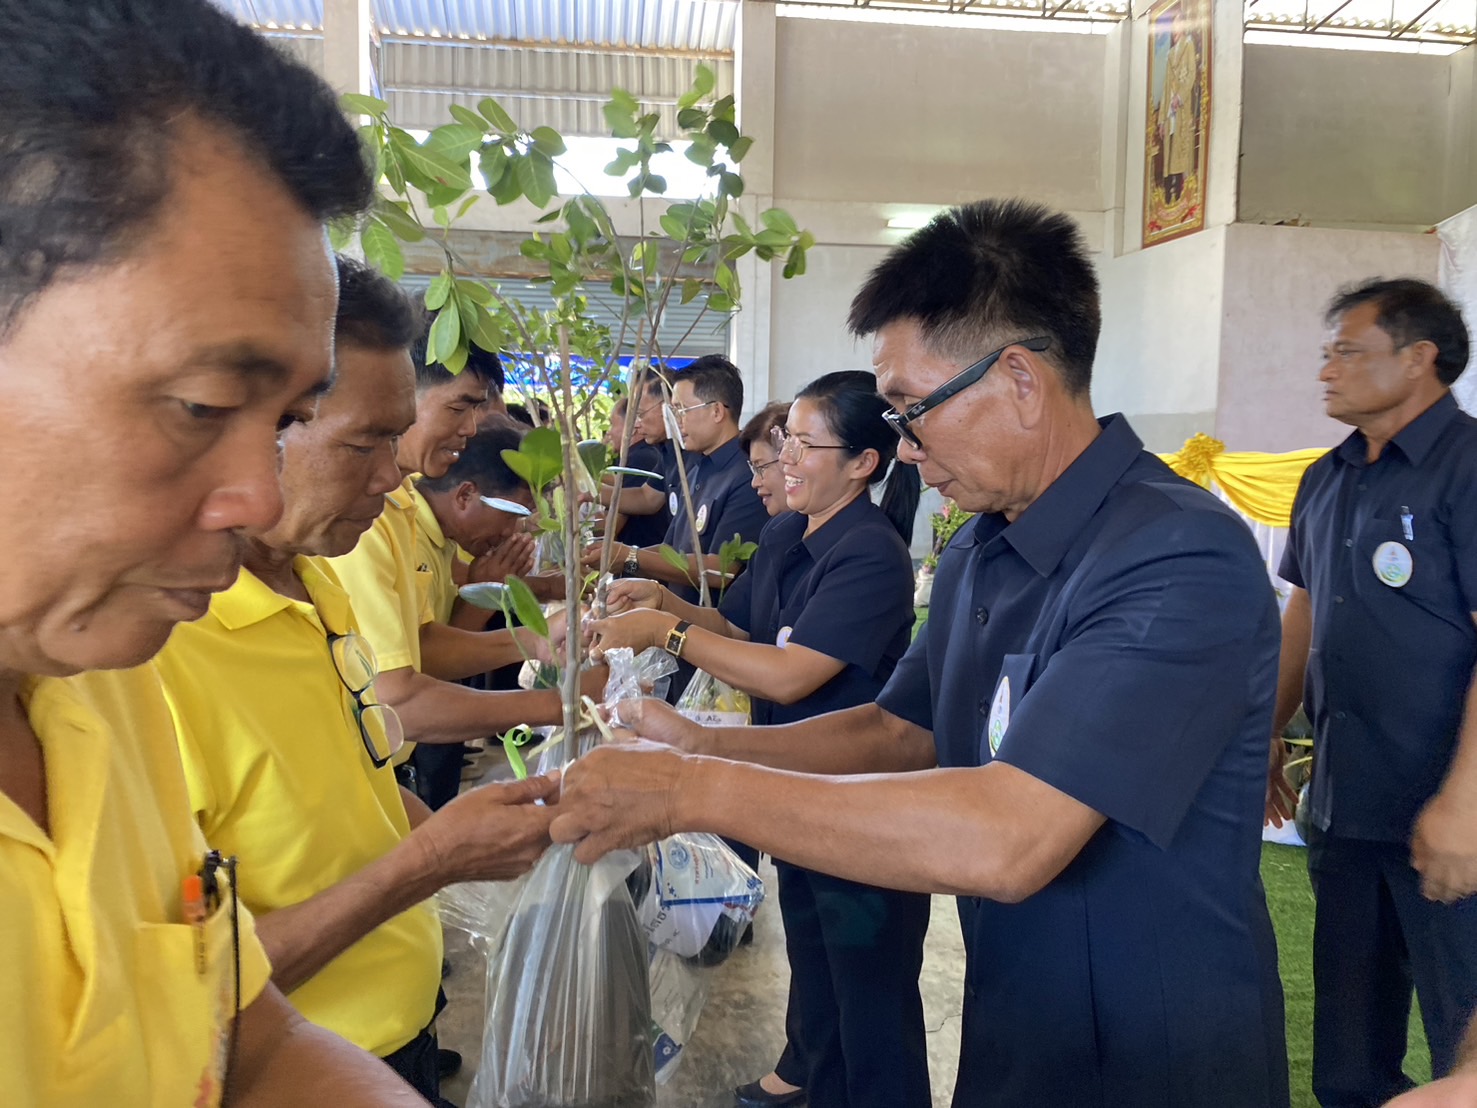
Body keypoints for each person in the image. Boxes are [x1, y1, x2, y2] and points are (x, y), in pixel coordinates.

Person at [551, 199, 1291, 1108]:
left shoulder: (1174, 555)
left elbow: (1010, 833)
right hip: (1018, 1002)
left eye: (911, 410)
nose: (902, 448)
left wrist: (688, 791)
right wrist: (700, 743)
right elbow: (898, 733)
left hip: (1150, 1043)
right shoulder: (985, 543)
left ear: (1018, 380)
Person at [0, 0, 442, 1102]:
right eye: (202, 404)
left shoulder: (101, 685)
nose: (258, 500)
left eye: (286, 420)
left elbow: (248, 1037)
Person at [151, 256, 558, 1104]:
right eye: (365, 442)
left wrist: (475, 844)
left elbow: (361, 772)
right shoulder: (157, 659)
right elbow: (192, 984)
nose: (396, 474)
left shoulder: (314, 580)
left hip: (394, 1027)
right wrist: (431, 861)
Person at [589, 374, 929, 1108]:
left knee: (869, 982)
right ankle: (811, 1073)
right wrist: (664, 601)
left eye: (804, 445)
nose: (785, 462)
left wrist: (666, 631)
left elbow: (790, 673)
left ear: (862, 463)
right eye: (785, 443)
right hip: (792, 778)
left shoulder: (870, 553)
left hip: (859, 793)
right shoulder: (785, 535)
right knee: (812, 942)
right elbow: (739, 630)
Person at [1266, 279, 1477, 1107]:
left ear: (1418, 357)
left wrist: (1465, 803)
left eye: (1346, 352)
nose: (1326, 370)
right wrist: (1266, 732)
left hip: (1450, 819)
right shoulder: (1326, 476)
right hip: (1348, 809)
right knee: (1349, 1062)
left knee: (1463, 1045)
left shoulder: (1467, 468)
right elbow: (1304, 610)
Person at [326, 339, 587, 788]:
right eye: (460, 408)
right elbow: (398, 699)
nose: (470, 429)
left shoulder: (403, 506)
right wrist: (564, 703)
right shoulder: (367, 520)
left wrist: (536, 639)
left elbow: (422, 643)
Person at [411, 419, 537, 808]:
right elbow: (429, 660)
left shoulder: (444, 537)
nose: (512, 532)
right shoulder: (403, 531)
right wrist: (534, 640)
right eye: (511, 515)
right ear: (466, 495)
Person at [589, 355, 768, 605]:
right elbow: (671, 549)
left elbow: (722, 570)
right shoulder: (695, 466)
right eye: (672, 411)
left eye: (682, 410)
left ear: (717, 411)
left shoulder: (746, 475)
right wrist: (615, 557)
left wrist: (631, 557)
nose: (675, 420)